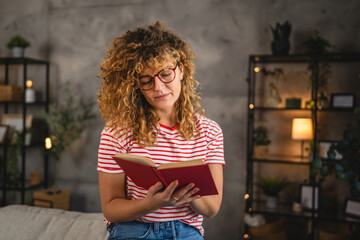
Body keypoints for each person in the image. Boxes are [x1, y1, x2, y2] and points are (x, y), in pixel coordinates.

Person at [97, 21, 225, 240]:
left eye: (165, 74)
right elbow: (110, 208)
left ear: (181, 70)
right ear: (135, 87)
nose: (158, 87)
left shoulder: (209, 132)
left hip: (186, 232)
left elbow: (211, 208)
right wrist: (150, 204)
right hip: (135, 230)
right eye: (146, 81)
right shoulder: (117, 132)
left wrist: (184, 193)